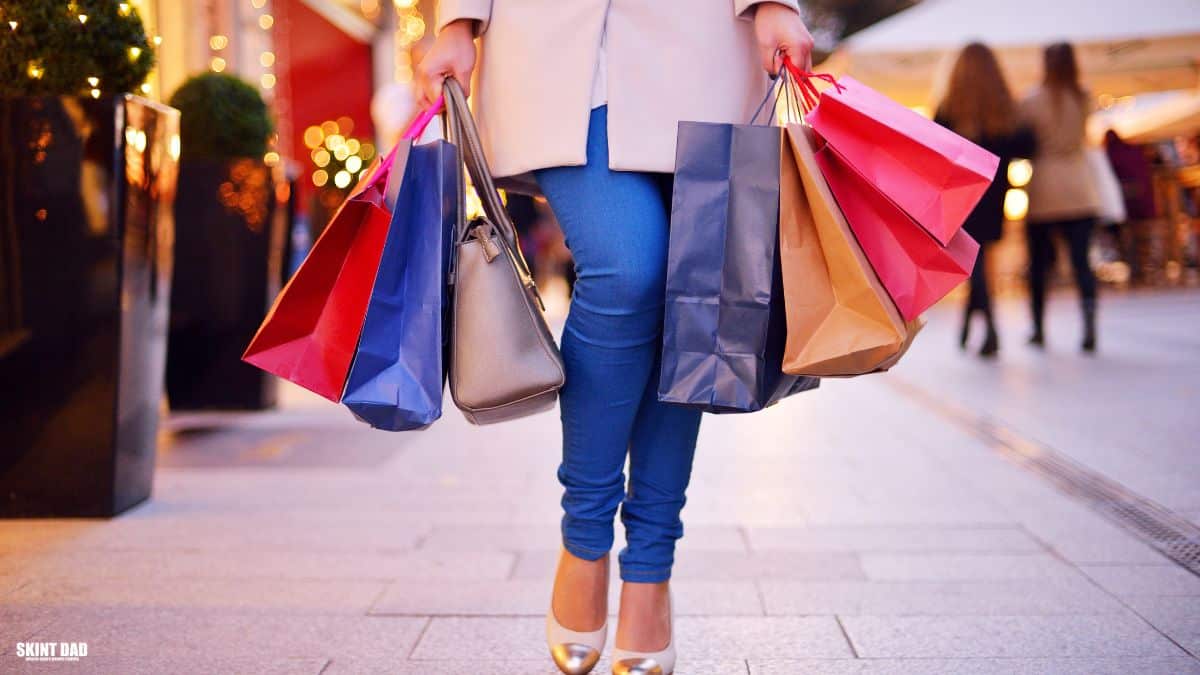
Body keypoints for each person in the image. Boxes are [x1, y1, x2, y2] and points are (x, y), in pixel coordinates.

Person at [417, 2, 813, 674]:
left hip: (701, 45)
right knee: (629, 267)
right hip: (551, 44)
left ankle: (651, 567)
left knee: (691, 289)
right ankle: (585, 533)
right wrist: (457, 21)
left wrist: (774, 4)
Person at [935, 42, 1036, 358]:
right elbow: (1025, 146)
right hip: (994, 194)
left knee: (973, 261)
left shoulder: (948, 108)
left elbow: (936, 148)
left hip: (960, 194)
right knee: (979, 259)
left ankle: (988, 326)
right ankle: (972, 324)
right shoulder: (1004, 109)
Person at [1020, 42, 1101, 352]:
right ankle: (1089, 325)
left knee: (1039, 265)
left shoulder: (1031, 101)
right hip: (1080, 185)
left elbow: (1024, 140)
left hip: (1044, 186)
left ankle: (1038, 327)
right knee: (1082, 263)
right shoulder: (1084, 97)